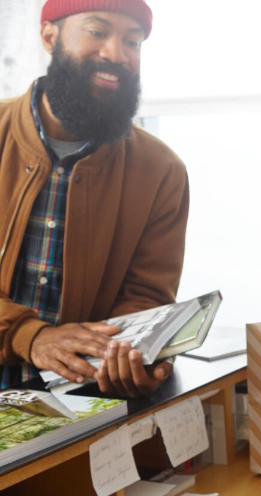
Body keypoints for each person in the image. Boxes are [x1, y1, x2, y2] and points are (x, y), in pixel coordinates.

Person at [0, 0, 189, 397]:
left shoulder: (161, 171)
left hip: (75, 409)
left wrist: (128, 353)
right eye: (97, 32)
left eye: (132, 41)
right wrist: (28, 337)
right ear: (50, 36)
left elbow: (146, 297)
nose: (115, 54)